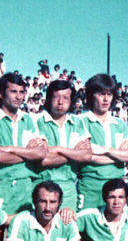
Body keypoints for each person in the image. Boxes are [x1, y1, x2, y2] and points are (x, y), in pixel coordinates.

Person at [0, 72, 46, 241]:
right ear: (1, 94)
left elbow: (41, 154)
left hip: (25, 186)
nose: (18, 96)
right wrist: (27, 153)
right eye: (13, 91)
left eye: (21, 92)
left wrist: (10, 149)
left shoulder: (29, 119)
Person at [78, 74, 128, 211]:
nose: (106, 99)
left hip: (116, 187)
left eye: (109, 94)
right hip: (90, 186)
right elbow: (86, 156)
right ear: (92, 95)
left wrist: (105, 150)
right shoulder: (80, 121)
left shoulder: (119, 124)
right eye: (101, 94)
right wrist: (117, 156)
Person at [35, 80, 91, 210]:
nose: (60, 102)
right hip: (43, 186)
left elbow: (87, 155)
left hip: (69, 188)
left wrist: (57, 149)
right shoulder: (37, 121)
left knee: (67, 221)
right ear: (49, 99)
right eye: (56, 97)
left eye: (65, 98)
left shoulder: (78, 122)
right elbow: (44, 159)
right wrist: (74, 153)